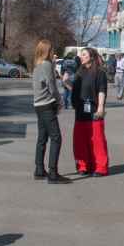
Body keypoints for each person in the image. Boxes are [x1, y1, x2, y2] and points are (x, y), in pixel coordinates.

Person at [66, 47, 110, 177]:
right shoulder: (79, 72)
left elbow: (101, 90)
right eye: (81, 55)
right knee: (80, 141)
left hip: (94, 110)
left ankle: (100, 167)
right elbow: (75, 89)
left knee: (97, 140)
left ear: (91, 57)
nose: (81, 57)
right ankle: (83, 166)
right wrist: (66, 82)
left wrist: (100, 107)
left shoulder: (100, 73)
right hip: (80, 110)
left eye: (84, 54)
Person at [32, 39, 70, 184]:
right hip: (47, 105)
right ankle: (53, 173)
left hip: (38, 105)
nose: (54, 52)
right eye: (52, 49)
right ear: (47, 51)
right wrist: (60, 101)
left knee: (42, 138)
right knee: (56, 138)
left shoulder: (38, 65)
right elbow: (52, 87)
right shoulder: (46, 65)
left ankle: (39, 170)